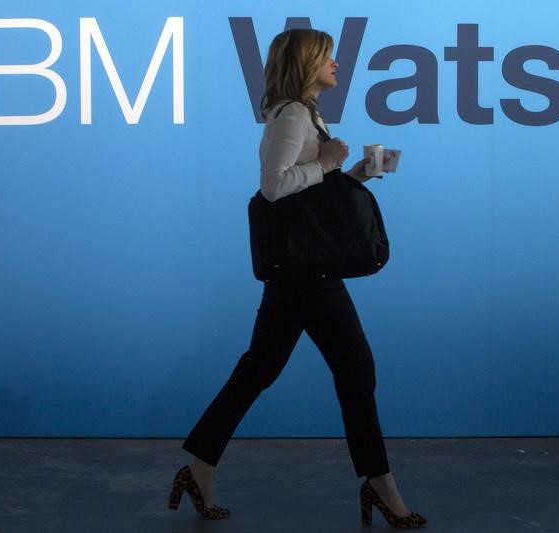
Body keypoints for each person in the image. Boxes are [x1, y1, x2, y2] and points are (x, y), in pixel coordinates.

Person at [167, 28, 427, 529]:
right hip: (308, 274)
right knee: (355, 370)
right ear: (307, 64)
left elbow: (308, 193)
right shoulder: (289, 115)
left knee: (258, 371)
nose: (337, 64)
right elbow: (272, 188)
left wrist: (351, 174)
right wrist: (325, 163)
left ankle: (197, 467)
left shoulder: (307, 114)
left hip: (300, 272)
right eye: (328, 57)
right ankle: (379, 484)